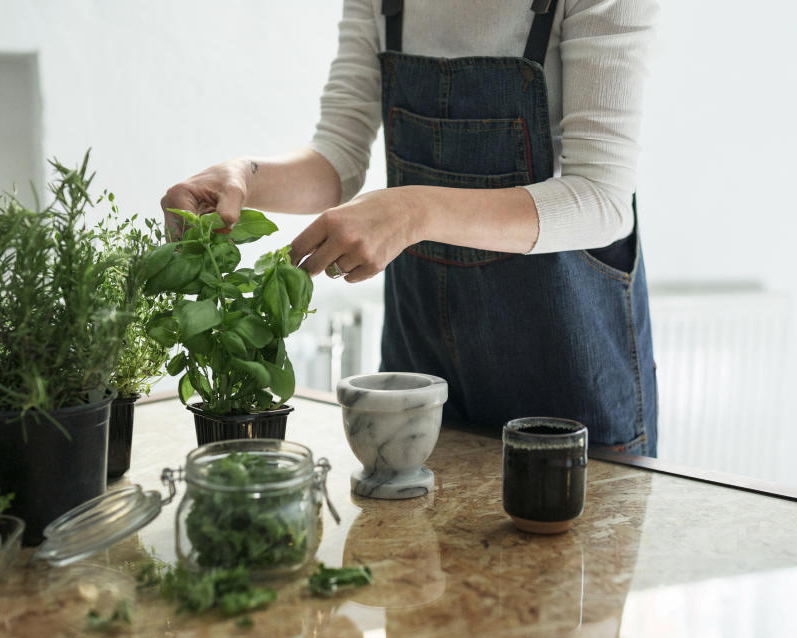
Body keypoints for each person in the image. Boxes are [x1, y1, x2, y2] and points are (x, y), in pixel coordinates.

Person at [161, 0, 659, 456]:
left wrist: (414, 211)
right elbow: (339, 154)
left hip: (569, 376)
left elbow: (600, 199)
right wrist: (242, 176)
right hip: (422, 370)